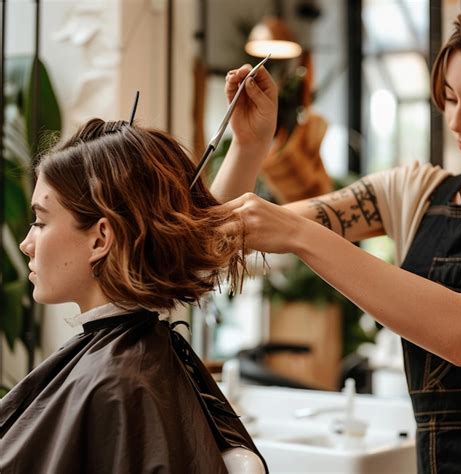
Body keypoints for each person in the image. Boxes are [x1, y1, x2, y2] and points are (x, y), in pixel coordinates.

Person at [213, 4, 461, 473]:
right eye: (451, 98)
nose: (457, 122)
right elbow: (219, 237)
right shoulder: (412, 192)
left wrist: (299, 234)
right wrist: (250, 147)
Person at [0, 118, 267, 473]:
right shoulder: (128, 367)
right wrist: (250, 147)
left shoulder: (116, 384)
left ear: (100, 239)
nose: (26, 244)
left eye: (41, 222)